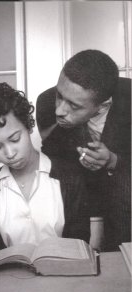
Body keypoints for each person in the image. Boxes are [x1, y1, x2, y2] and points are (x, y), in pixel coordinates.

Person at [0, 82, 90, 259]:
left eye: (15, 139)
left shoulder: (70, 177)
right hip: (10, 282)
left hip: (64, 281)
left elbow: (80, 246)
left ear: (29, 126)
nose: (9, 153)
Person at [36, 49, 131, 251]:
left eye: (73, 105)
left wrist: (113, 161)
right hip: (81, 200)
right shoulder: (45, 102)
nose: (59, 111)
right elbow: (53, 162)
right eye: (59, 96)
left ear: (103, 106)